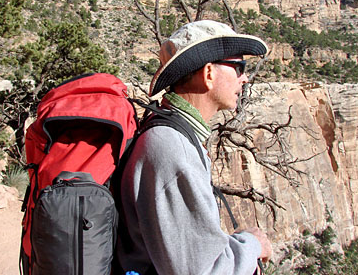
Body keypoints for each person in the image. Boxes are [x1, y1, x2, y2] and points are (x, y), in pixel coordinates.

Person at [116, 20, 273, 275]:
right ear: (209, 73)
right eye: (238, 67)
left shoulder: (172, 133)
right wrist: (253, 244)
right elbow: (203, 270)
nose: (244, 78)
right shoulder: (173, 148)